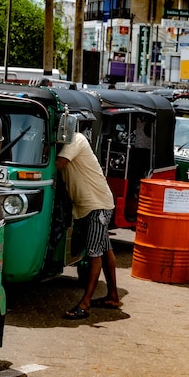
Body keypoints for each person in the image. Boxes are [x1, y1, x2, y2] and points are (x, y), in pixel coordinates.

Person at [57, 131, 120, 320]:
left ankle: (85, 304)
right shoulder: (69, 144)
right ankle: (113, 296)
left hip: (96, 206)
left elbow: (59, 164)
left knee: (94, 253)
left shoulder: (76, 140)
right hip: (91, 205)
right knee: (105, 249)